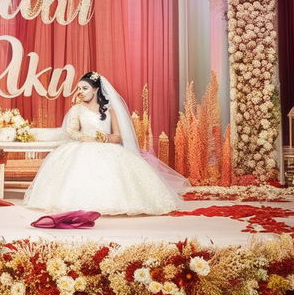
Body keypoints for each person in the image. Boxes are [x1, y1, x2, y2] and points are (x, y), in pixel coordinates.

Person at [24, 72, 188, 215]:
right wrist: (91, 138)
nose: (80, 92)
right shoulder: (77, 109)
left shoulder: (110, 110)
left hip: (107, 147)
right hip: (83, 147)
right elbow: (71, 132)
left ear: (96, 89)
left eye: (85, 88)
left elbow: (117, 137)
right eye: (79, 88)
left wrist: (105, 138)